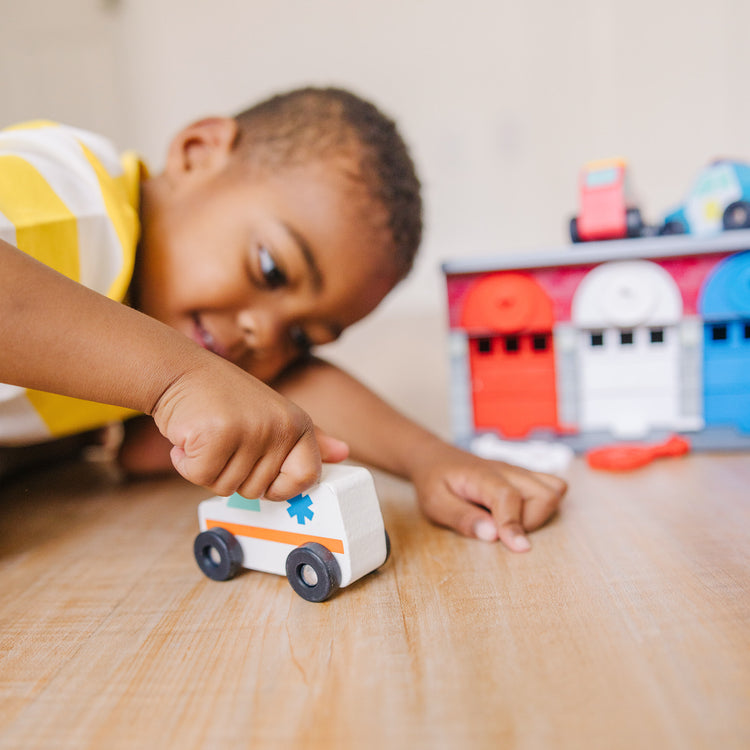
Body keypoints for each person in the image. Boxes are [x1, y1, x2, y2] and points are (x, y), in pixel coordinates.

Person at [0, 87, 565, 551]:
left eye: (300, 336)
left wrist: (429, 460)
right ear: (198, 153)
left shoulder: (164, 318)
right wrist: (176, 380)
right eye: (271, 269)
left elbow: (286, 393)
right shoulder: (74, 200)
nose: (263, 335)